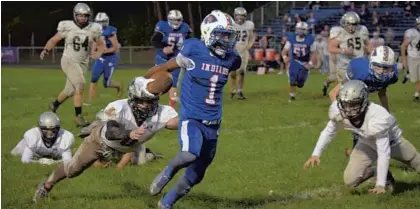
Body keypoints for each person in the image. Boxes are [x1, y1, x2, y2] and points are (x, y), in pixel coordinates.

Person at [144, 10, 241, 208]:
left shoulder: (232, 59)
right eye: (221, 34)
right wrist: (144, 79)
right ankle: (167, 173)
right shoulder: (193, 48)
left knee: (197, 174)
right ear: (207, 32)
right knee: (189, 153)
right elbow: (168, 66)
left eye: (228, 35)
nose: (226, 40)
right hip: (191, 117)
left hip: (214, 122)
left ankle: (166, 203)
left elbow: (227, 66)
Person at [32, 77, 179, 202]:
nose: (147, 106)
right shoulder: (119, 107)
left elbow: (175, 123)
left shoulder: (162, 112)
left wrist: (196, 115)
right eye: (142, 101)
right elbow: (111, 132)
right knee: (73, 170)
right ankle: (46, 185)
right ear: (133, 98)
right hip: (100, 142)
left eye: (151, 101)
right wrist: (129, 133)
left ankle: (148, 153)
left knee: (138, 160)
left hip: (126, 148)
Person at [304, 80, 420, 194]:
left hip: (393, 143)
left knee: (416, 162)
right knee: (350, 180)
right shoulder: (339, 111)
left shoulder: (378, 116)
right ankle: (375, 172)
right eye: (346, 104)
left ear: (364, 101)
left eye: (354, 104)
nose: (349, 108)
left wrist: (380, 184)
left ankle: (384, 177)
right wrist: (316, 154)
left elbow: (383, 152)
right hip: (366, 144)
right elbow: (329, 131)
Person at [40, 3, 105, 127]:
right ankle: (78, 117)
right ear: (75, 16)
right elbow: (54, 39)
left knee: (69, 90)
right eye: (80, 16)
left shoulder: (93, 28)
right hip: (68, 60)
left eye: (85, 16)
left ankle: (54, 105)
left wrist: (98, 53)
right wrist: (46, 50)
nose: (82, 18)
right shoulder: (67, 26)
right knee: (80, 85)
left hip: (83, 63)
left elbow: (101, 44)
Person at [329, 46, 399, 155]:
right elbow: (333, 94)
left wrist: (387, 112)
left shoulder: (392, 76)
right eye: (378, 67)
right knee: (357, 117)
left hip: (362, 87)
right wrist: (341, 113)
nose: (381, 72)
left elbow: (382, 92)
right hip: (348, 73)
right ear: (371, 64)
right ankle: (358, 152)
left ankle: (356, 152)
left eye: (386, 68)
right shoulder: (360, 71)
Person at [322, 12, 372, 98]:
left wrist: (370, 52)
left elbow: (368, 43)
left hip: (359, 64)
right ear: (344, 23)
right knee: (343, 87)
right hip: (345, 65)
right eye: (349, 24)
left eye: (354, 24)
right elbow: (331, 48)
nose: (352, 27)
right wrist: (344, 50)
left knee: (359, 87)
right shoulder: (340, 32)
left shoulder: (362, 30)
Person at [151, 9, 191, 108]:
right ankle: (150, 104)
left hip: (176, 60)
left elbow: (190, 41)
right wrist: (163, 48)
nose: (176, 22)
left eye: (178, 20)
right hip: (162, 58)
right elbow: (154, 41)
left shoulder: (185, 28)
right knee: (157, 82)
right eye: (173, 20)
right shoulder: (162, 26)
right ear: (169, 19)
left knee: (173, 84)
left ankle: (171, 110)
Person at [88, 12, 123, 104]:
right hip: (101, 59)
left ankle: (118, 85)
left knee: (106, 83)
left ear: (106, 22)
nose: (100, 24)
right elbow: (95, 42)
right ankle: (90, 101)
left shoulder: (110, 31)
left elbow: (115, 48)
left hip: (110, 59)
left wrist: (100, 52)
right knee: (94, 78)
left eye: (102, 22)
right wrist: (93, 52)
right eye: (99, 22)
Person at [281, 21, 316, 101]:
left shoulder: (310, 39)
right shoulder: (292, 39)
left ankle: (299, 83)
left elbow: (314, 53)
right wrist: (284, 57)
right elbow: (284, 50)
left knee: (300, 84)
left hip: (305, 62)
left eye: (303, 29)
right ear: (296, 29)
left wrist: (310, 63)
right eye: (299, 29)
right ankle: (292, 96)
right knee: (292, 80)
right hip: (294, 61)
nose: (301, 31)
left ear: (306, 30)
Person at [230, 7, 255, 100]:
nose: (240, 18)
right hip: (232, 51)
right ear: (235, 16)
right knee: (232, 73)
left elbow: (252, 36)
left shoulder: (249, 25)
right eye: (238, 15)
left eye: (242, 16)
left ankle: (239, 91)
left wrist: (249, 45)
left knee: (241, 72)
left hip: (243, 52)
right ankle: (233, 90)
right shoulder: (231, 25)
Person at [400, 17, 420, 102]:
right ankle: (407, 74)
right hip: (412, 58)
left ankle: (417, 94)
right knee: (414, 80)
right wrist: (404, 61)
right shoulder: (412, 33)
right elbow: (403, 46)